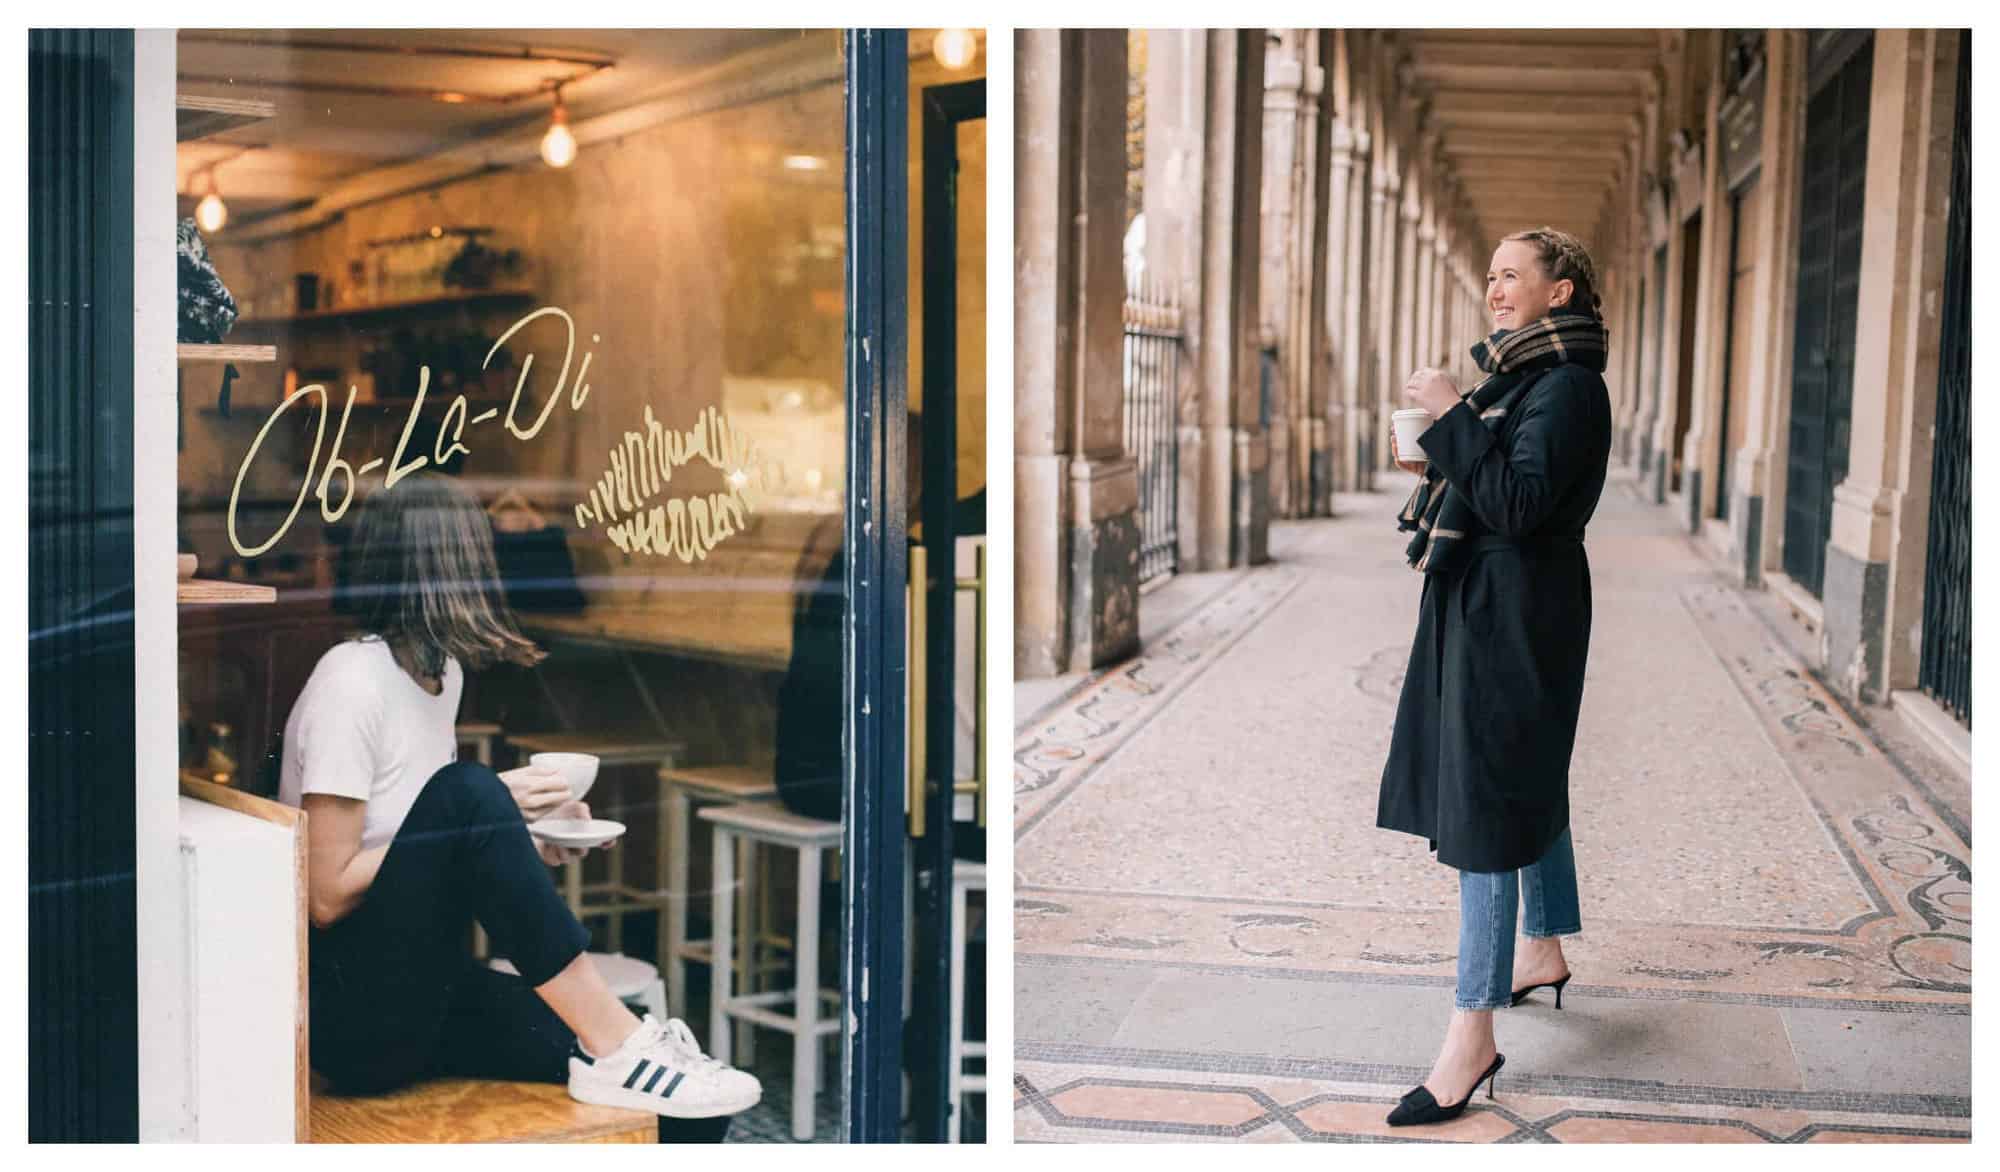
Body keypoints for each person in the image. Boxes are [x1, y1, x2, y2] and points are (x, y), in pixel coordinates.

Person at [279, 472, 760, 1119]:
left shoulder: (437, 675)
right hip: (356, 1017)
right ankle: (622, 1043)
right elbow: (326, 895)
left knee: (680, 1109)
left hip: (431, 987)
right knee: (471, 789)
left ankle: (621, 1048)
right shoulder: (351, 683)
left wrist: (520, 841)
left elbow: (421, 855)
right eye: (476, 554)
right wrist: (484, 812)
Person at [1376, 227, 1613, 1127]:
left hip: (1520, 614)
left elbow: (1517, 506)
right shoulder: (1523, 377)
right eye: (1490, 277)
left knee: (1487, 805)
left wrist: (1447, 417)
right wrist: (1439, 450)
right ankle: (1542, 948)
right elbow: (1499, 480)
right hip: (1493, 607)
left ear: (1561, 292)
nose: (1495, 289)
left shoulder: (1568, 387)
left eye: (1513, 275)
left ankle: (1470, 1031)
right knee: (1524, 774)